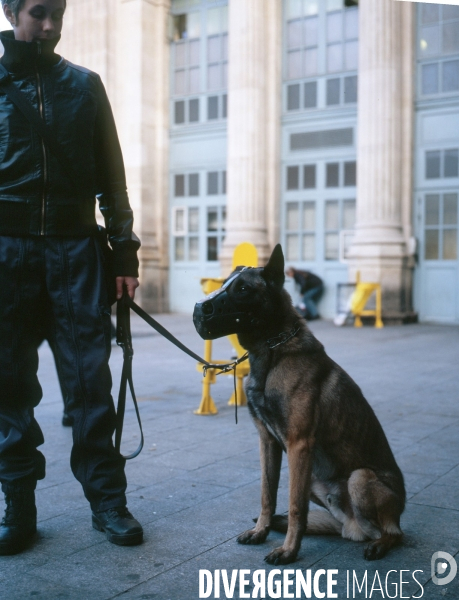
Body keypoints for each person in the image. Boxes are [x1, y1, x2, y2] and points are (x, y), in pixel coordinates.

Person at [0, 0, 144, 555]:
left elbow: (113, 176)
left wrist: (125, 254)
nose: (51, 24)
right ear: (12, 11)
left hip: (75, 252)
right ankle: (19, 503)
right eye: (39, 12)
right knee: (8, 386)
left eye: (58, 12)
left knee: (90, 386)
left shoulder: (85, 85)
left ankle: (108, 501)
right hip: (7, 254)